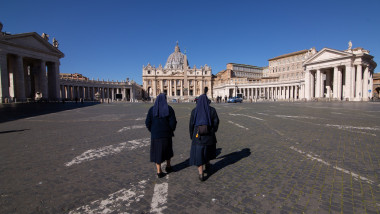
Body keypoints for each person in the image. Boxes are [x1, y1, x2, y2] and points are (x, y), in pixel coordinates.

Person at [189, 94, 219, 181]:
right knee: (207, 151)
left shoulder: (194, 111)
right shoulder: (212, 110)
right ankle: (207, 163)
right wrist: (213, 131)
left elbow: (191, 124)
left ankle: (201, 173)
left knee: (199, 155)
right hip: (209, 136)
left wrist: (192, 135)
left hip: (198, 137)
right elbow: (216, 122)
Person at [146, 93, 177, 178]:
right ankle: (168, 166)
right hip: (166, 134)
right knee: (168, 151)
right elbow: (173, 122)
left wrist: (152, 130)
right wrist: (171, 130)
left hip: (156, 135)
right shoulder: (169, 109)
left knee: (157, 152)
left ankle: (159, 171)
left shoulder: (152, 109)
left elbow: (147, 122)